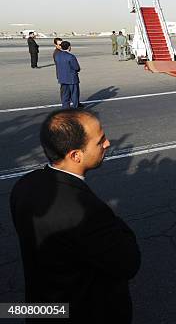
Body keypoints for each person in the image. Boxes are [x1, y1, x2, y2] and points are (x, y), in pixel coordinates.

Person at [10, 109, 141, 323]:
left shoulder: (24, 185)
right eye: (100, 141)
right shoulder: (88, 212)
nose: (107, 144)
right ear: (75, 155)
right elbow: (128, 263)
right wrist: (113, 220)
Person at [55, 41, 81, 109]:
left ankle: (65, 109)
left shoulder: (57, 56)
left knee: (65, 95)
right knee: (74, 95)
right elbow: (76, 67)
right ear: (69, 47)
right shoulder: (71, 56)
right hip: (71, 79)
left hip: (62, 78)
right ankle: (75, 108)